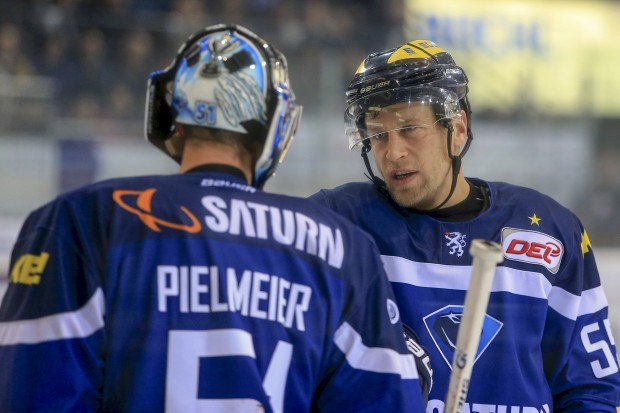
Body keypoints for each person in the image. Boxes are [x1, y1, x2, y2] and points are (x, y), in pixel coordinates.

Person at [0, 25, 427, 412]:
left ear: (169, 118)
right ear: (275, 129)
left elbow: (33, 393)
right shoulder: (340, 247)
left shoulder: (81, 219)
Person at [310, 39, 620, 411]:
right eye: (378, 134)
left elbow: (591, 389)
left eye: (409, 128)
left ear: (457, 128)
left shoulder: (550, 230)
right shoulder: (336, 223)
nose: (392, 152)